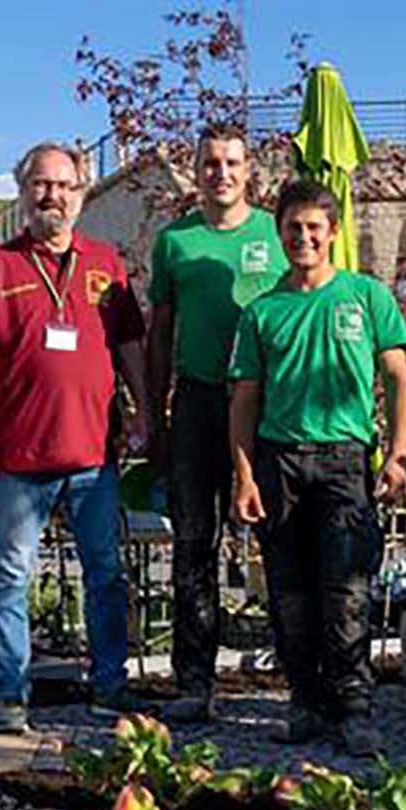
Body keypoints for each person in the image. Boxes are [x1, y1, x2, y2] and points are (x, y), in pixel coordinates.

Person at [0, 140, 152, 732]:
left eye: (65, 186)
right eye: (41, 185)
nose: (53, 196)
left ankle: (109, 688)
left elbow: (130, 346)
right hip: (20, 454)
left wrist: (146, 412)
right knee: (11, 575)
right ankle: (10, 698)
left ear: (82, 195)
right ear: (23, 192)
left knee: (106, 574)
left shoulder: (106, 264)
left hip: (94, 453)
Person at [229, 179, 406, 756]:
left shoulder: (366, 297)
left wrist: (400, 456)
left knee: (348, 587)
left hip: (344, 460)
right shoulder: (261, 312)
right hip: (279, 460)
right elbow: (244, 401)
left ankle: (353, 706)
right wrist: (244, 475)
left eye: (314, 227)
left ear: (333, 232)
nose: (303, 237)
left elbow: (400, 379)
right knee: (289, 592)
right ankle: (305, 700)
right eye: (292, 228)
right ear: (279, 233)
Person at [147, 123, 288, 723]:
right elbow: (159, 334)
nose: (221, 173)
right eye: (210, 163)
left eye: (232, 162)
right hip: (200, 402)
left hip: (272, 403)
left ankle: (299, 678)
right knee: (193, 546)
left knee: (282, 544)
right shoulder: (175, 241)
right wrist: (154, 414)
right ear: (196, 171)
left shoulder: (277, 233)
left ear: (249, 168)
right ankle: (194, 682)